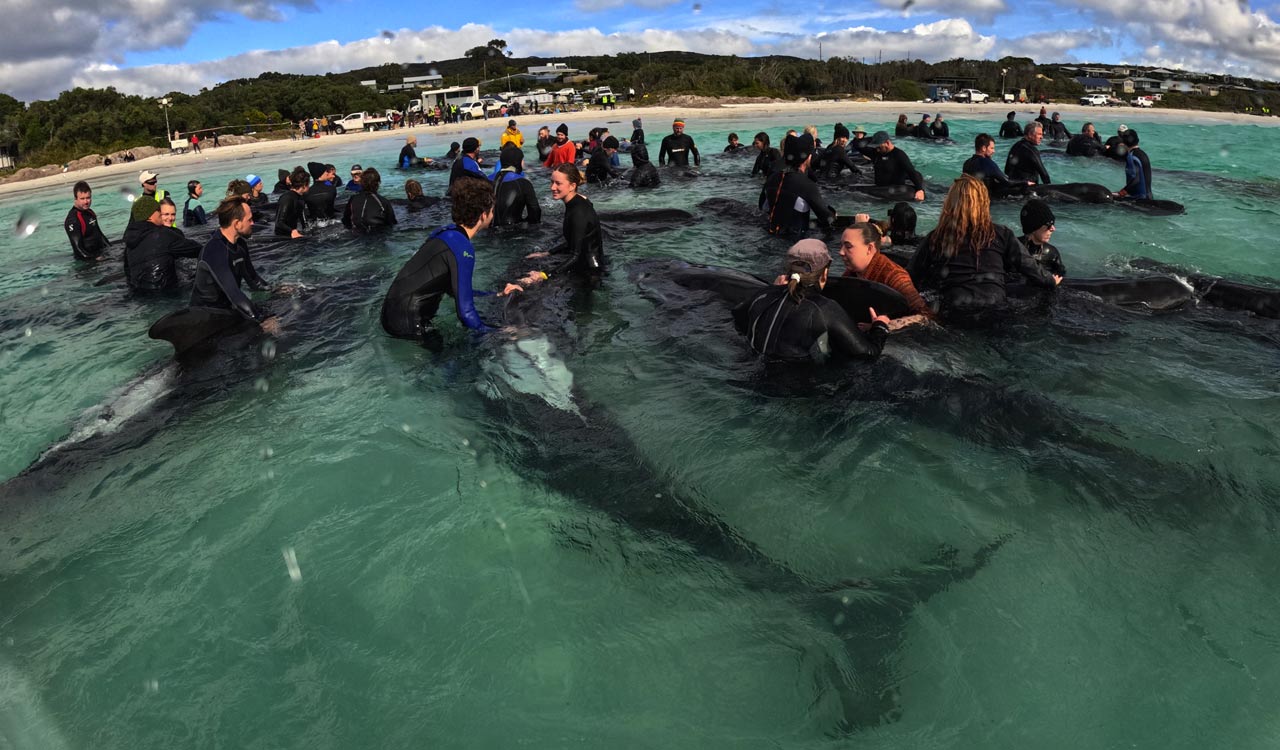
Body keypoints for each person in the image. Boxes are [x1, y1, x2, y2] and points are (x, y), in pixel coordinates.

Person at [907, 175, 1061, 315]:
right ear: (984, 203)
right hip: (995, 306)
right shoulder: (1002, 233)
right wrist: (1050, 280)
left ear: (950, 204)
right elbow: (1029, 267)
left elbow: (910, 276)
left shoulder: (936, 237)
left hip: (955, 309)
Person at [733, 239, 891, 362]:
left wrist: (773, 290)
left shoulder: (763, 295)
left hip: (754, 372)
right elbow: (867, 354)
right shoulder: (825, 309)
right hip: (795, 387)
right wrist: (880, 326)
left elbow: (738, 318)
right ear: (824, 274)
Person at [380, 178, 496, 339]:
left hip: (391, 314)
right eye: (492, 211)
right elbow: (466, 314)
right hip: (408, 323)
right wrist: (500, 333)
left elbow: (452, 289)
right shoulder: (463, 247)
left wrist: (493, 295)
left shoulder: (444, 232)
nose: (493, 215)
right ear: (483, 215)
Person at [501, 163, 604, 294]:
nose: (552, 187)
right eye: (552, 182)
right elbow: (576, 241)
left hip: (590, 274)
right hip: (584, 265)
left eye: (558, 183)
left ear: (572, 186)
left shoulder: (578, 212)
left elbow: (576, 255)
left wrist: (545, 275)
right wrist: (548, 253)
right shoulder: (576, 202)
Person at [191, 197, 279, 335]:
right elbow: (235, 295)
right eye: (249, 220)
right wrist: (261, 319)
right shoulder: (215, 251)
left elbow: (253, 280)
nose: (253, 223)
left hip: (228, 309)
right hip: (206, 319)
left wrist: (276, 289)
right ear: (237, 223)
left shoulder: (240, 245)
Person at [838, 222, 932, 325]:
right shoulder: (851, 273)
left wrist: (886, 325)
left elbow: (926, 316)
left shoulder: (895, 276)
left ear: (869, 249)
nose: (841, 252)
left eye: (848, 246)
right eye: (841, 246)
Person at [760, 134, 836, 235]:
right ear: (808, 157)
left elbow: (761, 205)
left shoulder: (772, 178)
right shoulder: (807, 185)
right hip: (794, 240)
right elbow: (827, 219)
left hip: (769, 234)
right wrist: (833, 214)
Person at [123, 197, 202, 292]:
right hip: (166, 293)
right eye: (159, 211)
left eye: (173, 214)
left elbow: (128, 274)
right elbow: (198, 250)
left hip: (139, 294)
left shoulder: (129, 244)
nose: (160, 213)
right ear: (151, 215)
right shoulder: (163, 234)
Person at [857, 132, 926, 202]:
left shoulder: (899, 155)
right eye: (876, 147)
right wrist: (873, 138)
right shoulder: (876, 153)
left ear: (887, 143)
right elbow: (859, 145)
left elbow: (911, 172)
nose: (877, 149)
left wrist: (920, 190)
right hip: (880, 188)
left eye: (879, 147)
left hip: (895, 189)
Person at [963, 133, 1032, 196]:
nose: (994, 151)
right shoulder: (987, 163)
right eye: (992, 148)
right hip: (988, 199)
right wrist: (1025, 182)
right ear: (984, 148)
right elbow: (1007, 182)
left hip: (973, 197)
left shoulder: (967, 163)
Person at [493, 147, 542, 225]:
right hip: (514, 229)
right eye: (522, 160)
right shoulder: (523, 183)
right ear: (518, 162)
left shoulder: (485, 179)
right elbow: (535, 211)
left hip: (487, 228)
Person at [64, 181, 111, 262]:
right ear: (75, 198)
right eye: (82, 199)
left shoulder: (90, 212)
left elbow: (100, 236)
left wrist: (111, 249)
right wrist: (96, 260)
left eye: (88, 198)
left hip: (100, 253)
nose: (86, 202)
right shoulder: (73, 220)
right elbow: (78, 250)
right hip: (87, 262)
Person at [1018, 199, 1066, 277]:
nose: (1053, 228)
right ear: (1033, 228)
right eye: (1049, 225)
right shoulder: (1012, 248)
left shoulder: (1051, 252)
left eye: (1053, 224)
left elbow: (1061, 275)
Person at [342, 167, 397, 231]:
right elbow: (392, 223)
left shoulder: (353, 199)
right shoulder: (384, 202)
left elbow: (346, 221)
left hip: (357, 233)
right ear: (378, 183)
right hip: (378, 234)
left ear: (361, 183)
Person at [1113, 128, 1152, 200]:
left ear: (1124, 143)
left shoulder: (1131, 157)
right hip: (1148, 197)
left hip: (1138, 199)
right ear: (1137, 140)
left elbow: (1136, 180)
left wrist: (1122, 192)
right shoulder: (1143, 154)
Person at [274, 167, 309, 238]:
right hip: (282, 236)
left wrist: (308, 231)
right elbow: (279, 223)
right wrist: (292, 231)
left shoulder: (301, 198)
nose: (309, 186)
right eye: (308, 184)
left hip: (294, 233)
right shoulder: (287, 198)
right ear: (304, 185)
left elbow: (304, 221)